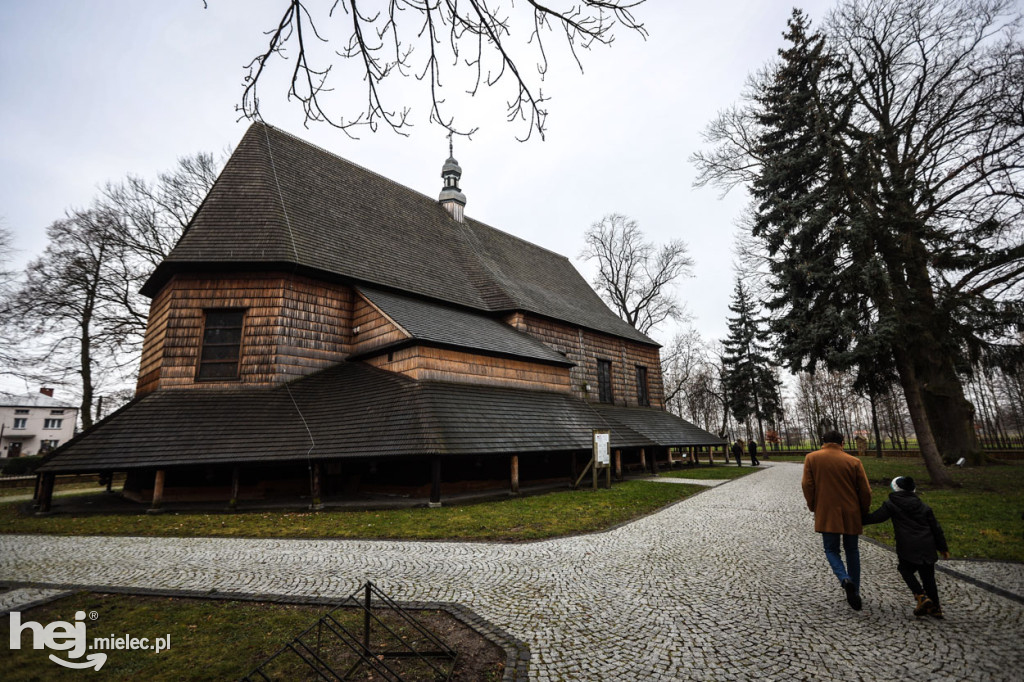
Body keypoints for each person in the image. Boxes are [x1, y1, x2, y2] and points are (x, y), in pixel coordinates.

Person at [801, 430, 872, 610]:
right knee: (852, 550)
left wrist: (813, 505)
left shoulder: (812, 458)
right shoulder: (854, 461)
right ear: (842, 442)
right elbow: (866, 491)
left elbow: (807, 485)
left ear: (823, 441)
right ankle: (854, 590)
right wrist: (863, 511)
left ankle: (844, 578)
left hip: (827, 511)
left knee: (831, 549)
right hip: (851, 511)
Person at [863, 476, 950, 618]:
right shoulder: (923, 506)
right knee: (928, 577)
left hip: (908, 546)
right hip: (927, 545)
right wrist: (943, 548)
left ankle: (921, 596)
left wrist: (856, 518)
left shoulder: (891, 504)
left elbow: (876, 518)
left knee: (904, 569)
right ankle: (936, 608)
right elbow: (936, 528)